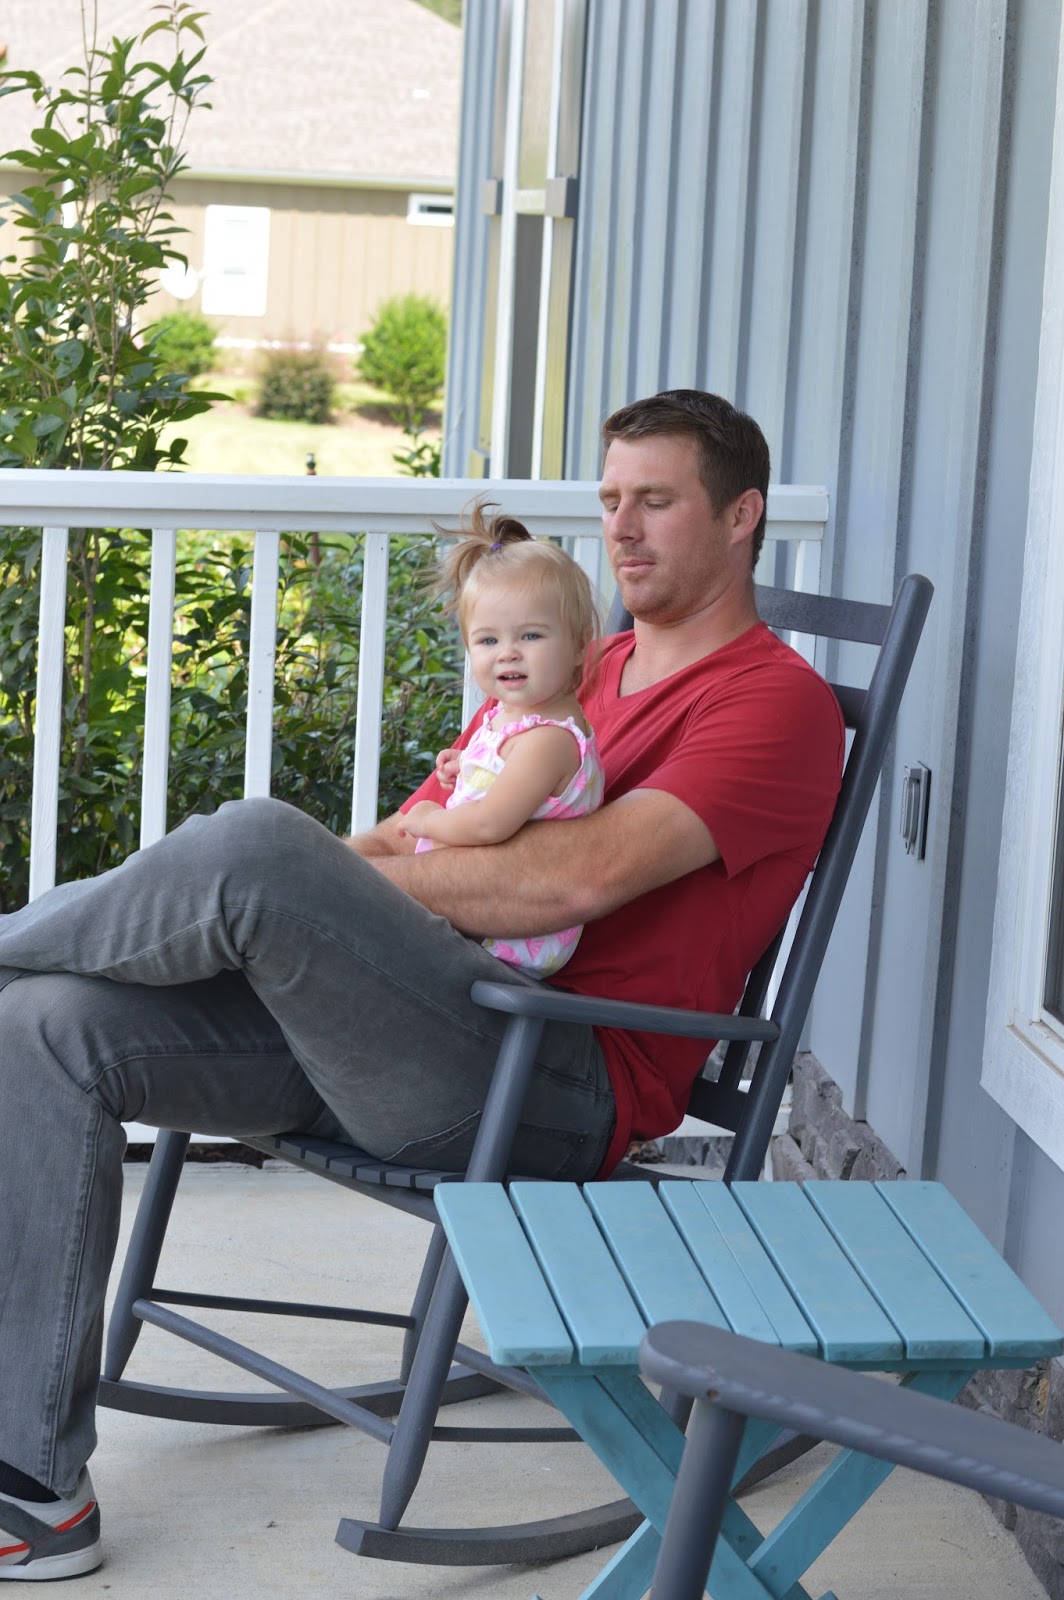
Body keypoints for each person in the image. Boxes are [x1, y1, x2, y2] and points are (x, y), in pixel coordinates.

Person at [0, 390, 843, 1579]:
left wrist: (308, 889)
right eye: (610, 498)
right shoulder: (578, 659)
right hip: (414, 1028)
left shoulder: (772, 704)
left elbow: (572, 881)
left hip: (548, 1075)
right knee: (42, 1022)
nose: (621, 527)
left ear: (741, 515)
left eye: (655, 500)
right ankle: (34, 1490)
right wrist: (321, 894)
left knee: (258, 846)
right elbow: (417, 826)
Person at [402, 499, 604, 977]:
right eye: (488, 640)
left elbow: (490, 824)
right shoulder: (508, 718)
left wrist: (429, 819)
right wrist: (466, 767)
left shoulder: (548, 741)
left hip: (504, 941)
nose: (507, 653)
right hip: (472, 913)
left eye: (531, 636)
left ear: (579, 644)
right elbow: (502, 785)